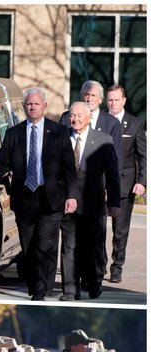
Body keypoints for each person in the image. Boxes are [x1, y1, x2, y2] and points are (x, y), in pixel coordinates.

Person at [0, 87, 78, 301]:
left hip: (51, 199)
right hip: (25, 199)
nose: (32, 107)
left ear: (45, 106)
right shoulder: (14, 134)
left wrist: (72, 196)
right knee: (29, 247)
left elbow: (69, 168)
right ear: (25, 106)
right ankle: (36, 285)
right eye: (29, 103)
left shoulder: (58, 133)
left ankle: (39, 292)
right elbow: (2, 162)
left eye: (37, 103)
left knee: (44, 246)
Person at [60, 102, 121, 300]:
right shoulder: (61, 138)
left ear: (88, 118)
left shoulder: (103, 140)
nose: (75, 119)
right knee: (69, 248)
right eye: (72, 115)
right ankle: (70, 290)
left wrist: (114, 202)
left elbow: (113, 174)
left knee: (93, 246)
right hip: (67, 205)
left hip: (93, 205)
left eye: (79, 115)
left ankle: (94, 283)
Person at [105, 85, 147, 283]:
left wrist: (142, 182)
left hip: (125, 184)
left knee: (120, 230)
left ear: (124, 100)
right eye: (109, 99)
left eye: (116, 99)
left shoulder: (135, 124)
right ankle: (98, 264)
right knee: (96, 229)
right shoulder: (99, 121)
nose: (112, 103)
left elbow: (143, 155)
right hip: (99, 184)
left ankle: (116, 267)